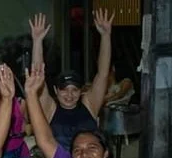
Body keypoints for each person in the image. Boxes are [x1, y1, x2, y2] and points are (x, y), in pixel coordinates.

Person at [29, 11, 113, 150]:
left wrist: (105, 36)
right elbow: (37, 74)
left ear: (81, 91)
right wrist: (37, 42)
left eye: (74, 89)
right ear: (56, 90)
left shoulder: (90, 105)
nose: (69, 95)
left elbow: (103, 73)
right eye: (64, 89)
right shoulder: (50, 109)